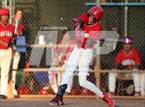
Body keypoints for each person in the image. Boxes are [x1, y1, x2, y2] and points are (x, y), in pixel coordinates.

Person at [49, 5, 115, 107]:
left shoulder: (97, 28)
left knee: (82, 82)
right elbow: (77, 21)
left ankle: (103, 96)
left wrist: (82, 37)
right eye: (90, 15)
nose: (90, 18)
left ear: (97, 19)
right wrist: (78, 30)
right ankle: (59, 97)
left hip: (87, 51)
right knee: (68, 71)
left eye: (93, 17)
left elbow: (88, 44)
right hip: (78, 49)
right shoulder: (85, 16)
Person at [0, 8, 15, 99]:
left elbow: (13, 38)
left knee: (5, 73)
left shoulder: (12, 27)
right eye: (3, 15)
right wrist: (3, 42)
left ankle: (2, 93)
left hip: (8, 51)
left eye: (6, 15)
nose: (5, 17)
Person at [11, 9, 25, 97]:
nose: (20, 16)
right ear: (15, 14)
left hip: (18, 47)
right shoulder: (11, 23)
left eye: (21, 14)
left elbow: (20, 36)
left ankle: (13, 89)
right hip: (10, 47)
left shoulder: (20, 25)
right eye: (18, 14)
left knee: (15, 68)